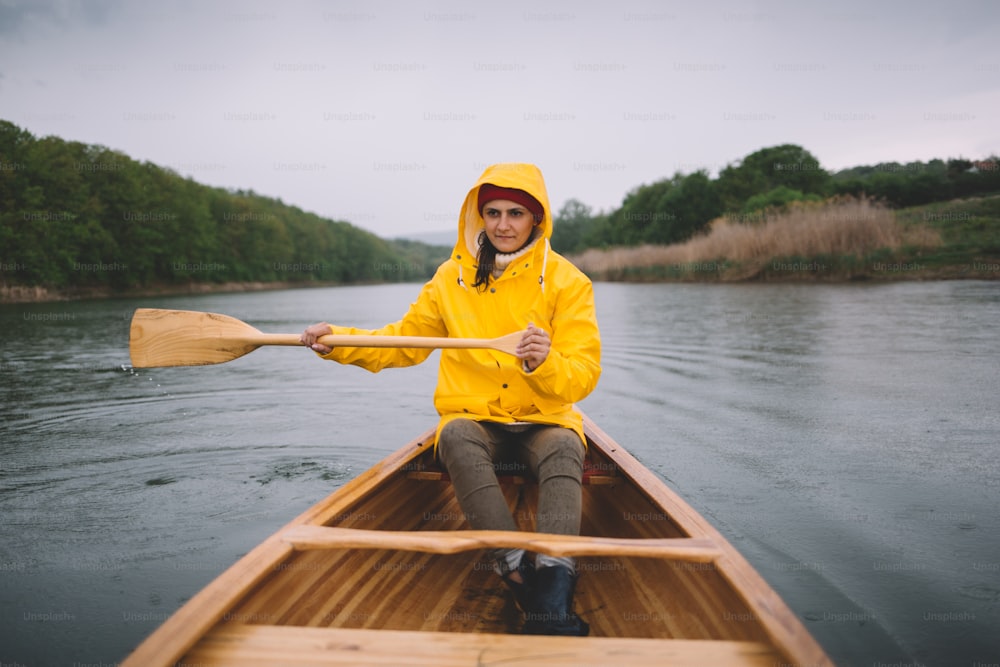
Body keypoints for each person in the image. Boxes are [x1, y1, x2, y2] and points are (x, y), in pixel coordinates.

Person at [299, 163, 601, 636]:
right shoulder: (449, 279)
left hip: (544, 418)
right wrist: (337, 339)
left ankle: (554, 580)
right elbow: (403, 342)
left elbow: (583, 377)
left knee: (566, 445)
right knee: (456, 433)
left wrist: (545, 363)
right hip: (475, 419)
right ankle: (516, 567)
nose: (503, 224)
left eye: (516, 213)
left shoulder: (568, 282)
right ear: (479, 217)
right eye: (493, 212)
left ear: (536, 219)